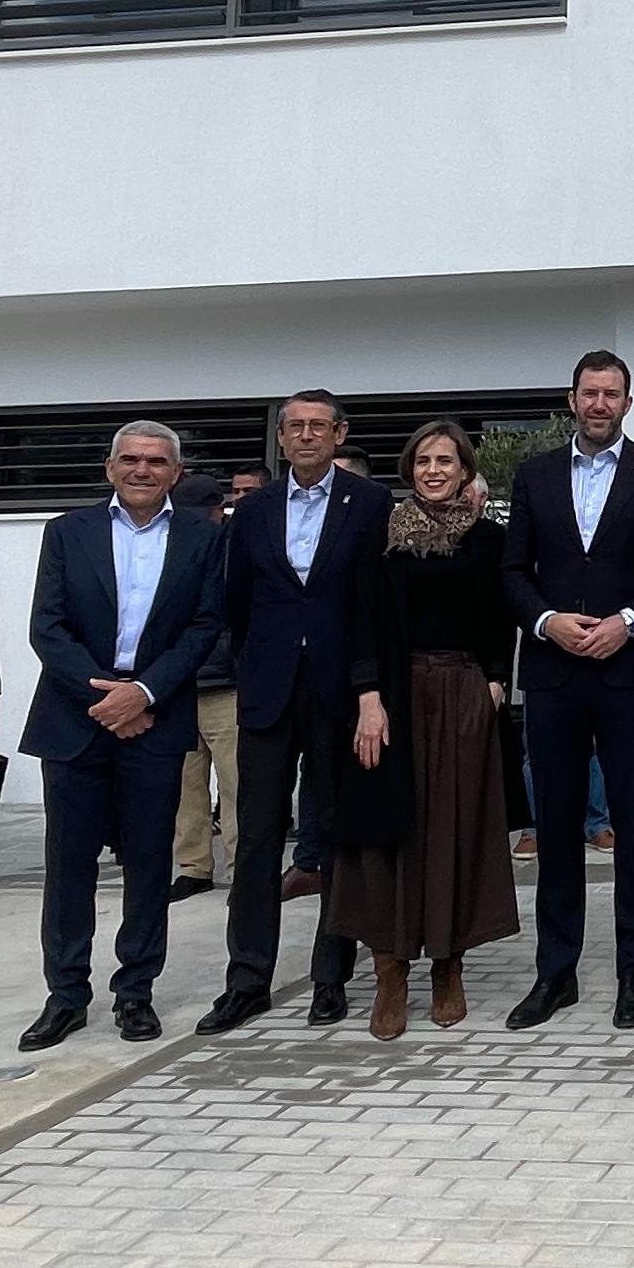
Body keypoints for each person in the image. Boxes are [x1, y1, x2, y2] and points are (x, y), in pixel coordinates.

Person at [17, 423, 227, 1049]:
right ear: (109, 468)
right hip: (76, 718)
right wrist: (107, 697)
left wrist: (144, 693)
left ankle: (136, 991)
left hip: (155, 718)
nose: (142, 470)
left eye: (156, 462)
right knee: (69, 865)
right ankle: (65, 995)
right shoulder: (68, 531)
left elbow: (205, 626)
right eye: (130, 459)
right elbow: (47, 626)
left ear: (176, 474)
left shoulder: (203, 538)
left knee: (148, 862)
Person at [500, 354, 634, 1030]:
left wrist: (629, 623)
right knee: (555, 828)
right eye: (590, 393)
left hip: (629, 672)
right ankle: (556, 974)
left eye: (612, 394)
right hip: (554, 672)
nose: (600, 404)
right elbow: (512, 570)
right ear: (572, 398)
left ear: (628, 403)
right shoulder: (536, 475)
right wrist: (546, 621)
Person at [212, 392, 403, 1030]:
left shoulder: (370, 503)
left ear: (338, 433)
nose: (305, 436)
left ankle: (330, 977)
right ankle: (247, 979)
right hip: (268, 689)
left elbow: (374, 602)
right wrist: (257, 662)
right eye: (294, 426)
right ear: (281, 437)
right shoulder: (254, 509)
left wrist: (369, 689)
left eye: (318, 426)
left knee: (335, 832)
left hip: (338, 688)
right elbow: (237, 601)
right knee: (257, 835)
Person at [344, 421, 525, 1033]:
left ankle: (448, 964)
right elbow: (361, 618)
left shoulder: (488, 537)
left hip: (462, 691)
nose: (433, 471)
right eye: (423, 461)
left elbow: (501, 616)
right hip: (392, 695)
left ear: (465, 469)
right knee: (387, 831)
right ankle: (389, 970)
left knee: (457, 828)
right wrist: (368, 698)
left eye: (445, 461)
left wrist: (495, 681)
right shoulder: (381, 534)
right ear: (409, 468)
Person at [169, 467, 246, 896]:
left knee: (233, 784)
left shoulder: (237, 548)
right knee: (188, 785)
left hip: (225, 683)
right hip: (180, 686)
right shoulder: (170, 545)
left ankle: (236, 868)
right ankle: (195, 867)